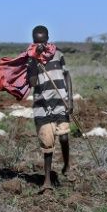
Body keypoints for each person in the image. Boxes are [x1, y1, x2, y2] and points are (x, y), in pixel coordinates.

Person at [27, 25, 74, 192]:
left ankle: (67, 165)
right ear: (34, 41)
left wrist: (70, 100)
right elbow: (32, 82)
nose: (41, 45)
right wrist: (35, 59)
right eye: (37, 42)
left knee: (63, 138)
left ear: (47, 40)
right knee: (47, 143)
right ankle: (47, 180)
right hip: (42, 105)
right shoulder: (31, 58)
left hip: (61, 102)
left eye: (43, 41)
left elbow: (67, 76)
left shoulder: (58, 54)